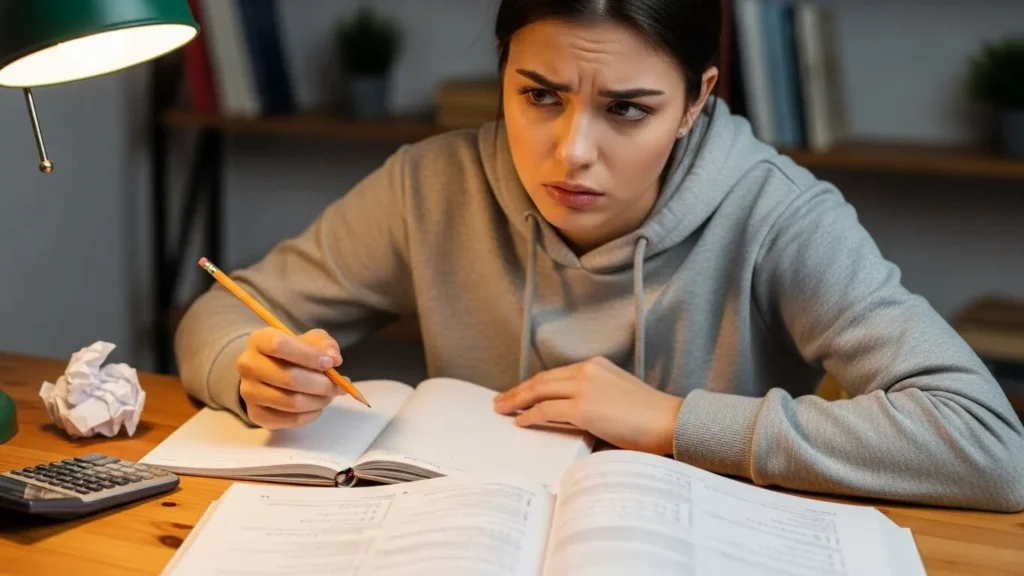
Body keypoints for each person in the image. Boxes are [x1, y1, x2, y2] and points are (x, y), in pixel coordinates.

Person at [174, 0, 1024, 512]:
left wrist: (673, 423)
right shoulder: (430, 186)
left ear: (696, 100)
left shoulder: (778, 214)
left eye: (626, 110)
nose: (571, 153)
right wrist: (248, 371)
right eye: (538, 96)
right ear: (503, 71)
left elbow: (989, 445)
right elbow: (220, 309)